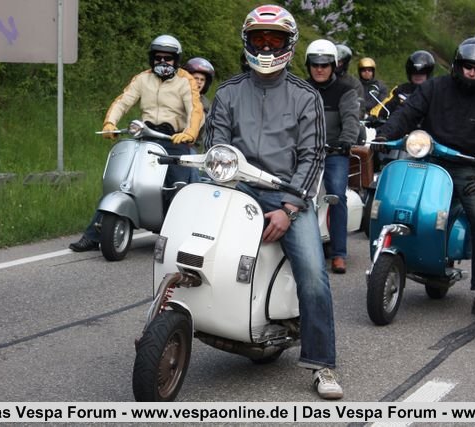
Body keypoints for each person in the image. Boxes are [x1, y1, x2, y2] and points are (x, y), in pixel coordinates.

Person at [204, 4, 342, 400]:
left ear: (289, 44)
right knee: (199, 249)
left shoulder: (306, 96)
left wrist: (289, 208)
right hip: (237, 190)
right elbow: (216, 149)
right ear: (247, 42)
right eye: (259, 39)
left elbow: (313, 157)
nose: (266, 47)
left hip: (287, 194)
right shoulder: (228, 92)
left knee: (312, 275)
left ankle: (322, 364)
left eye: (274, 39)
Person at [374, 37, 475, 319]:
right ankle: (401, 255)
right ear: (457, 65)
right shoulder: (434, 87)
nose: (471, 72)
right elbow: (407, 113)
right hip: (426, 158)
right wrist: (384, 135)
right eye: (467, 66)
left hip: (466, 168)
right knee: (400, 203)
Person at [69, 35, 204, 252]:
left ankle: (175, 236)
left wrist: (189, 132)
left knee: (177, 186)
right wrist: (110, 122)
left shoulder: (185, 80)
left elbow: (195, 110)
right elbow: (123, 101)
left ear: (176, 60)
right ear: (152, 58)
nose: (163, 62)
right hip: (146, 136)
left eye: (168, 58)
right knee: (122, 182)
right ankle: (94, 235)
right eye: (158, 58)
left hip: (173, 139)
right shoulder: (142, 79)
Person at [305, 39, 360, 275]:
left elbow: (351, 120)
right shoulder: (300, 89)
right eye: (315, 64)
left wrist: (346, 140)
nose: (319, 69)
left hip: (334, 152)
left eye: (324, 65)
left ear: (333, 65)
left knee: (337, 195)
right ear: (308, 65)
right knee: (293, 193)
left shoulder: (346, 90)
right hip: (304, 152)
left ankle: (339, 253)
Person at [370, 50, 435, 120]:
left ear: (428, 74)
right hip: (399, 125)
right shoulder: (400, 90)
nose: (418, 75)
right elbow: (383, 107)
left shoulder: (434, 93)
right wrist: (374, 117)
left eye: (422, 72)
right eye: (414, 72)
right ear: (409, 73)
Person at [183, 57, 215, 181]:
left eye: (202, 80)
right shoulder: (175, 95)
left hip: (189, 147)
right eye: (196, 78)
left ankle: (192, 188)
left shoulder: (206, 105)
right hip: (166, 139)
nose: (199, 82)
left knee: (192, 169)